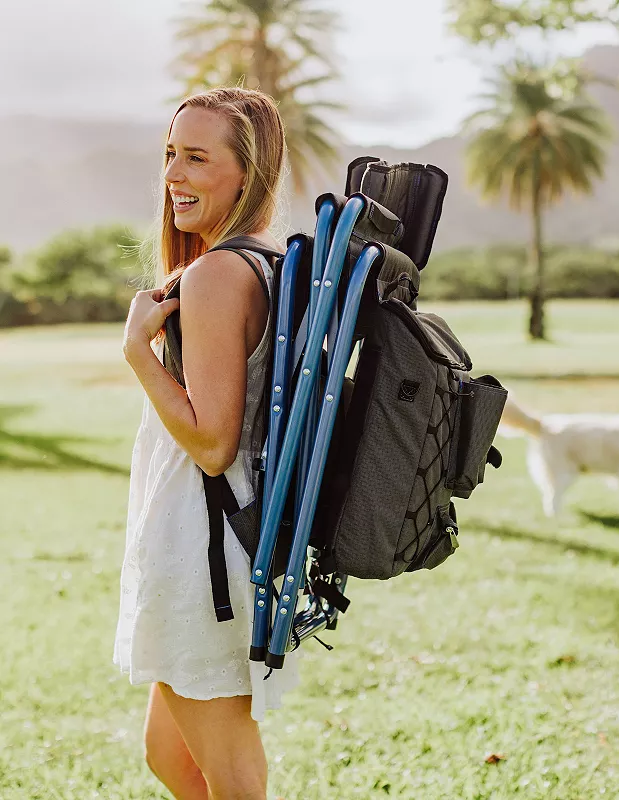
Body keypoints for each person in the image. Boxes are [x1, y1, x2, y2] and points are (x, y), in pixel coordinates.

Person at [114, 87, 298, 799]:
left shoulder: (220, 273)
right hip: (215, 541)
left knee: (233, 783)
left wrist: (138, 354)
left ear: (245, 174)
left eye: (196, 158)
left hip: (207, 550)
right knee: (171, 759)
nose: (174, 176)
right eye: (170, 154)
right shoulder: (255, 261)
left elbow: (213, 444)